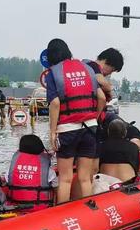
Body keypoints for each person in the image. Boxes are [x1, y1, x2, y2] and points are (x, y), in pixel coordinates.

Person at [45, 38, 106, 203]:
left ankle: (63, 215)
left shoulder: (54, 73)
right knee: (85, 178)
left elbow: (55, 103)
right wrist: (94, 117)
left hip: (67, 130)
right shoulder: (87, 69)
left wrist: (52, 132)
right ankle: (88, 212)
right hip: (90, 128)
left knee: (65, 178)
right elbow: (101, 98)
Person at [5, 135, 57, 211]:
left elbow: (8, 180)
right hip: (40, 209)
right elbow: (56, 186)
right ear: (40, 148)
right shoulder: (48, 171)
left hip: (15, 207)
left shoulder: (12, 168)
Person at [96, 119, 140, 191]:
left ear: (108, 132)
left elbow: (96, 168)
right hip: (128, 185)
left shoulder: (100, 147)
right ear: (125, 133)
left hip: (106, 186)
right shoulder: (133, 147)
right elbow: (136, 168)